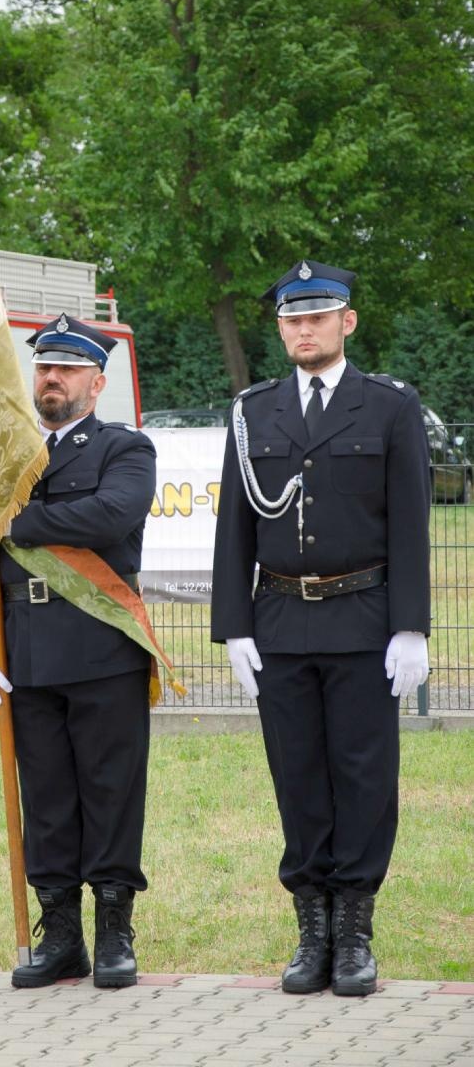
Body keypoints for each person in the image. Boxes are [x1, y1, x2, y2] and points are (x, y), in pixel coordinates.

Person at [211, 260, 431, 997]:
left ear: (346, 322)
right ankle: (310, 930)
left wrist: (410, 627)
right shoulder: (252, 412)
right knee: (297, 777)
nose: (302, 329)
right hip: (278, 621)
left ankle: (354, 931)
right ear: (279, 328)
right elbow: (233, 528)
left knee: (364, 778)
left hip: (364, 620)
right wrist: (233, 626)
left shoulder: (388, 406)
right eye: (290, 319)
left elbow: (410, 522)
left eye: (316, 316)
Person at [0, 313, 157, 990]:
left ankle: (114, 932)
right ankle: (60, 934)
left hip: (102, 648)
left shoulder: (124, 450)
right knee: (45, 798)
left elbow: (106, 516)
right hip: (24, 652)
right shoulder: (1, 456)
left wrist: (13, 520)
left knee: (109, 793)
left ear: (96, 384)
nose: (52, 379)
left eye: (66, 370)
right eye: (43, 367)